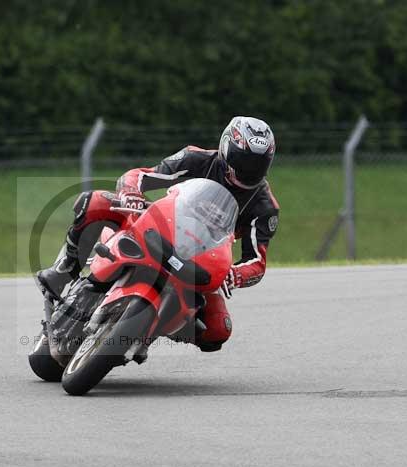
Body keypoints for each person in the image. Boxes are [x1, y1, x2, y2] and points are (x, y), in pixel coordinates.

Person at [36, 116, 280, 351]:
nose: (248, 170)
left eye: (257, 165)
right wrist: (131, 193)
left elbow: (256, 261)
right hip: (163, 223)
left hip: (203, 255)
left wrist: (235, 275)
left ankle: (151, 329)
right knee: (96, 201)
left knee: (217, 330)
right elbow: (141, 175)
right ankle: (65, 270)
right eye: (243, 160)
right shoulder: (195, 158)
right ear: (226, 148)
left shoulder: (265, 207)